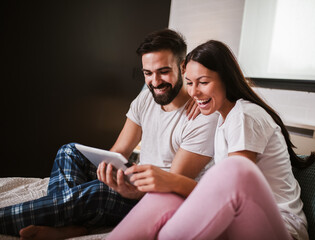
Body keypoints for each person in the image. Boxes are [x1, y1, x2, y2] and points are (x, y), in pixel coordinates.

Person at [0, 29, 218, 240]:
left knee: (97, 192)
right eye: (148, 73)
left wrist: (120, 187)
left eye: (163, 71)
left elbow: (172, 183)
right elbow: (119, 150)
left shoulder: (202, 115)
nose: (155, 81)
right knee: (69, 151)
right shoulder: (145, 99)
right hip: (136, 179)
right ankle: (70, 226)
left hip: (157, 197)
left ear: (182, 67)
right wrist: (108, 169)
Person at [106, 40, 315, 240]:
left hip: (279, 228)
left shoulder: (245, 116)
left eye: (203, 82)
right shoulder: (221, 118)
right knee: (164, 199)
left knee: (228, 172)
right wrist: (206, 99)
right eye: (189, 83)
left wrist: (170, 179)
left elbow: (234, 186)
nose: (194, 92)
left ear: (226, 79)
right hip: (238, 219)